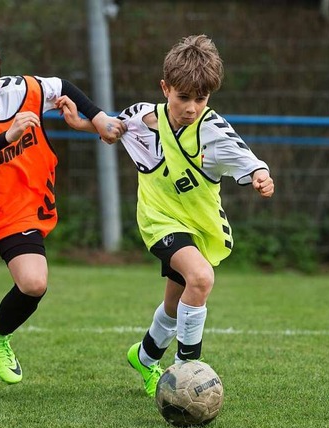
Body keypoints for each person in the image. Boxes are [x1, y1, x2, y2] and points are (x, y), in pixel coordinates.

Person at [59, 34, 274, 397]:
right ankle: (186, 373)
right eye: (183, 97)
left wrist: (260, 176)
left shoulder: (213, 131)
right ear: (165, 88)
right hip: (158, 219)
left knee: (176, 304)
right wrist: (85, 124)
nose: (192, 107)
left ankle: (144, 357)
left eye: (201, 99)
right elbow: (113, 130)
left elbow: (246, 158)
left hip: (199, 225)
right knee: (201, 279)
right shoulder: (141, 117)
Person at [0, 21, 125, 397]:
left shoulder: (18, 90)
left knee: (34, 282)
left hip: (16, 209)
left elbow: (61, 87)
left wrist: (97, 119)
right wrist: (7, 136)